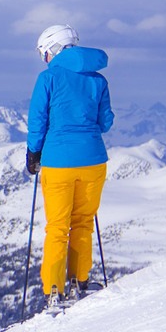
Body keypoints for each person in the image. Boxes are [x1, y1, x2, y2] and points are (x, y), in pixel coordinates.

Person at [25, 24, 114, 311]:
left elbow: (38, 119)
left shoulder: (48, 78)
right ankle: (81, 280)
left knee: (57, 227)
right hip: (93, 159)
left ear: (52, 48)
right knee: (84, 223)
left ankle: (54, 291)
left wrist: (33, 153)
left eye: (43, 54)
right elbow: (105, 122)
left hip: (58, 160)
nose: (44, 59)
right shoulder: (98, 80)